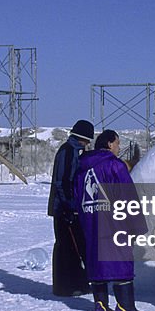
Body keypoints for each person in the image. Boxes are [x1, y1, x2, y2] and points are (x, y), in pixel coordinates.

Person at [73, 129, 148, 311]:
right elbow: (127, 195)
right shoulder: (115, 166)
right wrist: (137, 224)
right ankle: (125, 306)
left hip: (90, 219)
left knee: (95, 260)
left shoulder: (82, 167)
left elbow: (76, 196)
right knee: (121, 261)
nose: (119, 147)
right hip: (114, 222)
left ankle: (100, 305)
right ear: (108, 144)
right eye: (117, 143)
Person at [47, 119, 94, 296]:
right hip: (64, 209)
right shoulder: (68, 151)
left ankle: (78, 283)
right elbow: (63, 181)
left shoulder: (75, 150)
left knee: (75, 247)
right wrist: (70, 206)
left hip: (71, 208)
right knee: (65, 247)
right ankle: (64, 286)